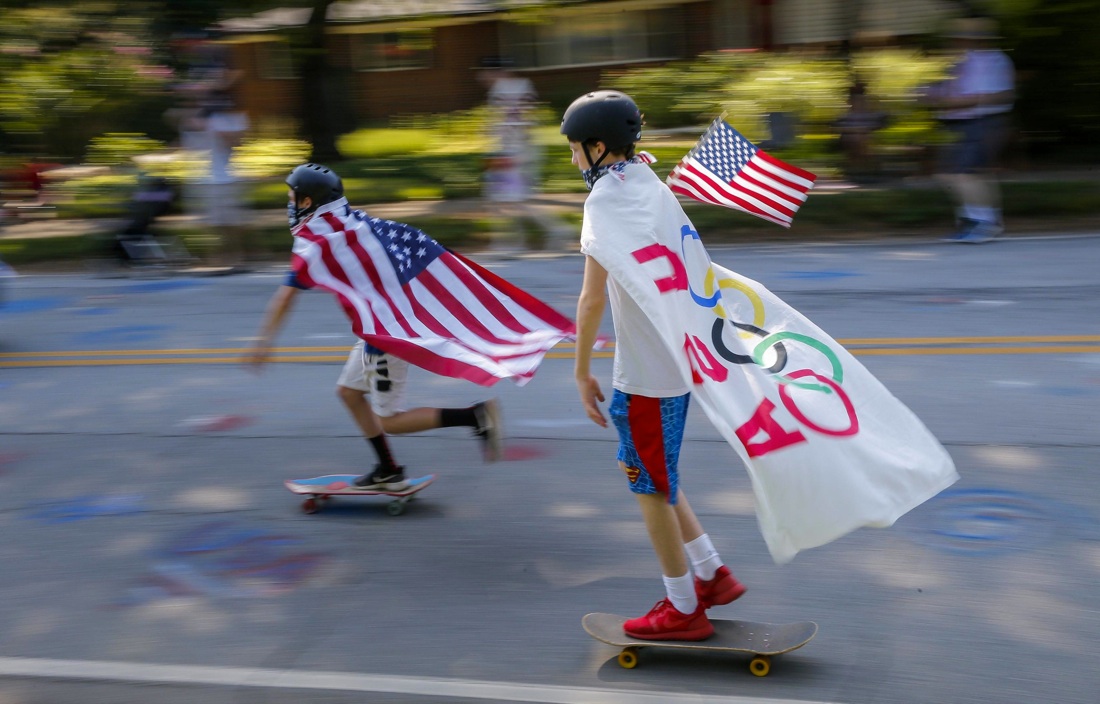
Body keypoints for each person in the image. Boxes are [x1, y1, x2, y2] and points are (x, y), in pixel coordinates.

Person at [562, 90, 745, 641]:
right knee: (653, 470)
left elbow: (592, 299)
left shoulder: (605, 202)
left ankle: (682, 606)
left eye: (575, 150)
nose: (573, 161)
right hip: (676, 358)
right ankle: (711, 573)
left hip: (644, 375)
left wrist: (579, 371)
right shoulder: (649, 184)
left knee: (645, 484)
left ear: (598, 147)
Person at [247, 163, 504, 491]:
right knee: (349, 393)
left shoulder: (317, 244)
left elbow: (284, 298)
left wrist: (263, 342)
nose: (289, 204)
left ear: (308, 202)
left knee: (390, 421)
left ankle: (475, 417)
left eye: (291, 198)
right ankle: (388, 470)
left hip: (384, 336)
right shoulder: (352, 221)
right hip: (380, 326)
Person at [924, 16, 1015, 244]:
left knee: (964, 174)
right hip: (964, 122)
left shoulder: (993, 61)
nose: (955, 43)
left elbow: (997, 95)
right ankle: (976, 219)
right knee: (955, 174)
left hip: (983, 121)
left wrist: (954, 101)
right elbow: (950, 90)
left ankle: (983, 223)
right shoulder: (965, 61)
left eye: (959, 39)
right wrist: (933, 93)